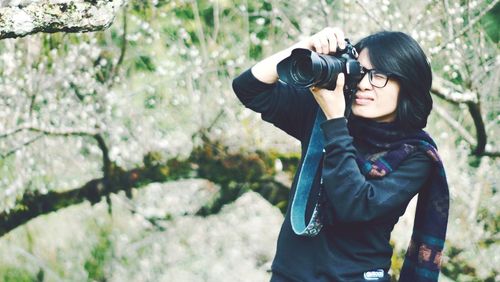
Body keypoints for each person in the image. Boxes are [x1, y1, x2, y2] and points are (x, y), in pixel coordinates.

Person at [232, 27, 449, 282]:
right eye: (360, 72)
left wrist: (335, 122)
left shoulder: (416, 154)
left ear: (408, 82)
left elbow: (356, 205)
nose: (364, 84)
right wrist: (307, 46)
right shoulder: (322, 116)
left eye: (379, 75)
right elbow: (248, 88)